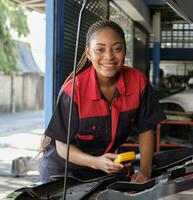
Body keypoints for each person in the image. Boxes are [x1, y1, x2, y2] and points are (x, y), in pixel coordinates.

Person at [39, 20, 166, 183]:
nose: (109, 56)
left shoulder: (138, 82)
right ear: (89, 53)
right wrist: (95, 162)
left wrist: (144, 171)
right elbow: (62, 147)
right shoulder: (74, 91)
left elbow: (146, 130)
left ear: (125, 51)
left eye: (117, 49)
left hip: (103, 168)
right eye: (100, 49)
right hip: (62, 171)